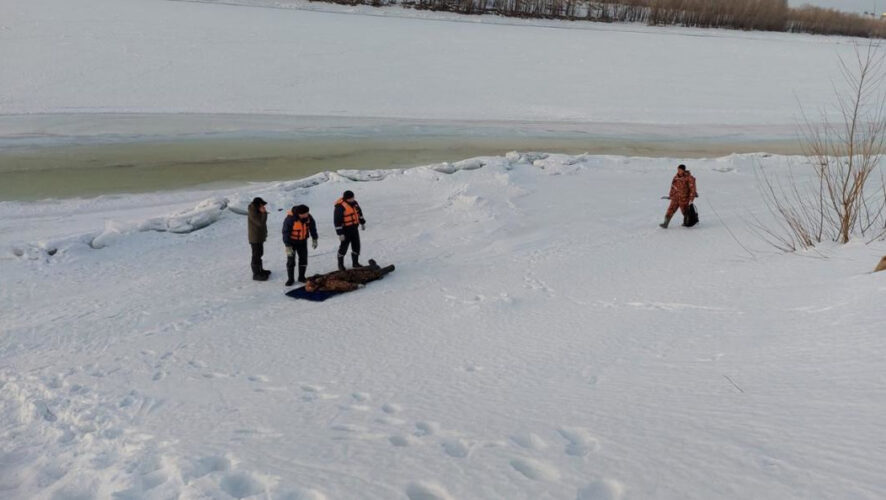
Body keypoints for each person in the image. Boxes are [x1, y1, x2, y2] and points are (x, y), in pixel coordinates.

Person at [282, 204, 318, 286]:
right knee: (291, 261)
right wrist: (287, 246)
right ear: (300, 214)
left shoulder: (308, 217)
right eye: (305, 213)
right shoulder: (290, 219)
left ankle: (301, 277)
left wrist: (314, 238)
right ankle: (290, 279)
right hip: (292, 243)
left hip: (302, 242)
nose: (307, 214)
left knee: (303, 259)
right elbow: (285, 233)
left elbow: (313, 228)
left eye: (307, 213)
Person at [304, 260, 395, 293]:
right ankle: (378, 267)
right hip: (350, 275)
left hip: (350, 275)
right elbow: (343, 284)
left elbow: (342, 284)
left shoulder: (326, 282)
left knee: (369, 272)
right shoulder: (324, 280)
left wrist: (355, 286)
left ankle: (380, 267)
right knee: (367, 271)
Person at [334, 190, 366, 271]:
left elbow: (359, 213)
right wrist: (340, 234)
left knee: (356, 246)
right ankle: (340, 265)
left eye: (353, 197)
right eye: (351, 198)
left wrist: (362, 222)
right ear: (346, 199)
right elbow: (337, 221)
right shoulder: (340, 207)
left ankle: (355, 263)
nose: (352, 199)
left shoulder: (355, 203)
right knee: (343, 247)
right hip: (345, 230)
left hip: (354, 228)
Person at [660, 164, 698, 228]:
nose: (678, 171)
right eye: (678, 169)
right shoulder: (676, 177)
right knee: (670, 210)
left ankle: (687, 222)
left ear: (683, 170)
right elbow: (673, 187)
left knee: (685, 212)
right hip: (675, 198)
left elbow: (692, 189)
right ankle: (665, 223)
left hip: (684, 198)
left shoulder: (689, 178)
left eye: (680, 170)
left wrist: (691, 199)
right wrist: (671, 195)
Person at [247, 197, 270, 281]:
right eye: (262, 205)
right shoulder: (252, 211)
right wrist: (264, 213)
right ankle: (256, 274)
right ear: (258, 205)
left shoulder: (255, 210)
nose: (263, 206)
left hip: (259, 236)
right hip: (255, 238)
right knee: (256, 255)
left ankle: (261, 271)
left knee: (259, 253)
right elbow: (260, 223)